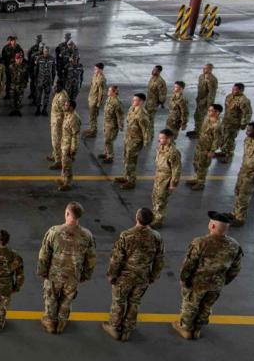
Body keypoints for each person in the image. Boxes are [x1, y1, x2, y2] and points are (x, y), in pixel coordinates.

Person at [172, 211, 242, 340]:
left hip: (197, 282)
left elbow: (189, 264)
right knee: (206, 306)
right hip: (217, 283)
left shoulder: (200, 242)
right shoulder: (235, 246)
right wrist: (223, 281)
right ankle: (197, 329)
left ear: (213, 226)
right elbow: (235, 269)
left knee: (190, 304)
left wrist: (183, 279)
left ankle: (186, 329)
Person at [103, 208, 164, 341]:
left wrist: (112, 274)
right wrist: (153, 276)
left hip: (124, 277)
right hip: (143, 277)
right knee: (134, 302)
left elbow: (117, 258)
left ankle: (114, 327)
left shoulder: (126, 235)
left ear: (137, 218)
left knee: (119, 302)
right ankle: (127, 329)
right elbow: (159, 259)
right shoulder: (156, 237)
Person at [37, 202, 96, 334]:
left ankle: (50, 322)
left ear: (67, 213)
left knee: (51, 298)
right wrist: (86, 275)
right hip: (73, 276)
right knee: (67, 300)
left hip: (54, 275)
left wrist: (42, 271)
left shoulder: (54, 231)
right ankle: (61, 323)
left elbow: (44, 254)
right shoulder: (87, 235)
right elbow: (91, 258)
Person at [226, 122, 254, 227]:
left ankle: (240, 218)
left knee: (243, 196)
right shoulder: (248, 140)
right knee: (238, 192)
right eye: (247, 130)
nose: (247, 132)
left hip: (253, 174)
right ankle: (235, 213)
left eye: (250, 130)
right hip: (244, 171)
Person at [115, 93, 150, 190]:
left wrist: (146, 142)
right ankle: (126, 176)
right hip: (129, 138)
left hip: (136, 141)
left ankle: (131, 181)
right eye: (133, 99)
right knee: (126, 158)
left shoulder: (142, 114)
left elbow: (146, 129)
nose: (133, 101)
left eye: (135, 100)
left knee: (131, 161)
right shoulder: (132, 109)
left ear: (141, 102)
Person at [150, 129, 182, 229]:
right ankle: (155, 215)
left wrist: (173, 183)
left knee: (161, 199)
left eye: (162, 138)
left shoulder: (173, 152)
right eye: (159, 138)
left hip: (166, 179)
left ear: (169, 139)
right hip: (159, 176)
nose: (159, 140)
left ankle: (159, 220)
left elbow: (176, 169)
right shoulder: (160, 147)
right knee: (155, 196)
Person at [188, 104, 223, 191]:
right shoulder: (207, 118)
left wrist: (212, 151)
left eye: (211, 111)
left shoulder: (217, 125)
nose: (209, 112)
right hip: (200, 145)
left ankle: (200, 183)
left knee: (203, 166)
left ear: (217, 112)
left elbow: (217, 139)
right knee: (196, 162)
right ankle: (196, 178)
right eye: (209, 110)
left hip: (207, 148)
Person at [219, 83, 253, 162]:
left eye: (235, 90)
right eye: (233, 89)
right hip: (226, 121)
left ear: (241, 90)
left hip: (234, 124)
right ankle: (223, 151)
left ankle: (229, 156)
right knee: (223, 137)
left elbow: (247, 113)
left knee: (230, 140)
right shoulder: (229, 96)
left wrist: (243, 124)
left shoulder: (244, 101)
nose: (233, 91)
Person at [187, 64, 218, 138]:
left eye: (206, 69)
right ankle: (197, 130)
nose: (204, 70)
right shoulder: (201, 77)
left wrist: (208, 105)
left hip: (206, 102)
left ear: (211, 69)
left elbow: (211, 93)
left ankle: (200, 133)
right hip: (200, 100)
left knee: (202, 117)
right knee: (197, 116)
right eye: (204, 68)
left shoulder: (212, 79)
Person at [59, 100, 82, 191]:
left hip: (68, 146)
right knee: (64, 163)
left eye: (66, 105)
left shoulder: (74, 118)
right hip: (64, 143)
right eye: (64, 104)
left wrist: (73, 149)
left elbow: (75, 135)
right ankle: (64, 179)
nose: (64, 106)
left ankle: (67, 183)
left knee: (67, 164)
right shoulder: (68, 114)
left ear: (71, 107)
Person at [47, 85, 69, 170]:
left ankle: (58, 161)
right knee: (54, 140)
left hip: (58, 123)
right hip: (54, 121)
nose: (54, 88)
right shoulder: (58, 93)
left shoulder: (62, 97)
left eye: (56, 86)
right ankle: (54, 155)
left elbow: (65, 112)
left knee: (56, 141)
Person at [99, 85, 123, 164]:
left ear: (114, 92)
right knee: (106, 139)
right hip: (107, 123)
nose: (107, 92)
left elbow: (120, 115)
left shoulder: (116, 102)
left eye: (109, 91)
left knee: (108, 140)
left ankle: (110, 156)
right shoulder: (109, 99)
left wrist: (120, 126)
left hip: (112, 125)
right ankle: (106, 153)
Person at [145, 65, 167, 143]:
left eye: (155, 70)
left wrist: (161, 102)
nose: (153, 71)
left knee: (150, 120)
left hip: (153, 103)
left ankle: (150, 136)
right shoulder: (152, 78)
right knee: (147, 119)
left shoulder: (160, 81)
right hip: (148, 102)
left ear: (159, 71)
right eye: (153, 69)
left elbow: (162, 93)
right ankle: (147, 135)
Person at [83, 63, 106, 138]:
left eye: (96, 69)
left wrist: (99, 102)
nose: (94, 70)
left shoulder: (101, 79)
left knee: (93, 116)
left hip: (95, 100)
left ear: (100, 69)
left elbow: (101, 92)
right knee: (91, 115)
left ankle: (94, 132)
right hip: (91, 98)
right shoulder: (95, 76)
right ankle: (92, 128)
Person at [35, 45, 55, 116]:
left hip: (48, 81)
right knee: (38, 96)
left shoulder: (52, 59)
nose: (46, 52)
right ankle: (38, 109)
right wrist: (35, 80)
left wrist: (52, 81)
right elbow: (36, 70)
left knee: (47, 96)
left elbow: (53, 71)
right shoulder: (39, 58)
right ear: (43, 51)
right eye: (45, 51)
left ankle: (44, 109)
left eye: (47, 51)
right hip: (40, 80)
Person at [8, 52, 29, 116]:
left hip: (21, 85)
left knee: (19, 99)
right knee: (12, 98)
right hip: (13, 85)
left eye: (20, 59)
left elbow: (26, 76)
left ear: (22, 59)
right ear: (15, 59)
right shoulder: (11, 66)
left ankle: (18, 110)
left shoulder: (25, 66)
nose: (19, 60)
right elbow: (8, 76)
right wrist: (8, 84)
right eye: (17, 59)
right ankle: (13, 110)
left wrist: (25, 83)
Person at [27, 34, 43, 105]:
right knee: (33, 83)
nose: (38, 40)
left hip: (41, 73)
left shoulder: (43, 49)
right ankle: (32, 93)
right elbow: (29, 57)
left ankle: (36, 98)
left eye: (40, 39)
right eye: (37, 39)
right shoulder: (32, 48)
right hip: (34, 71)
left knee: (38, 86)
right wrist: (30, 72)